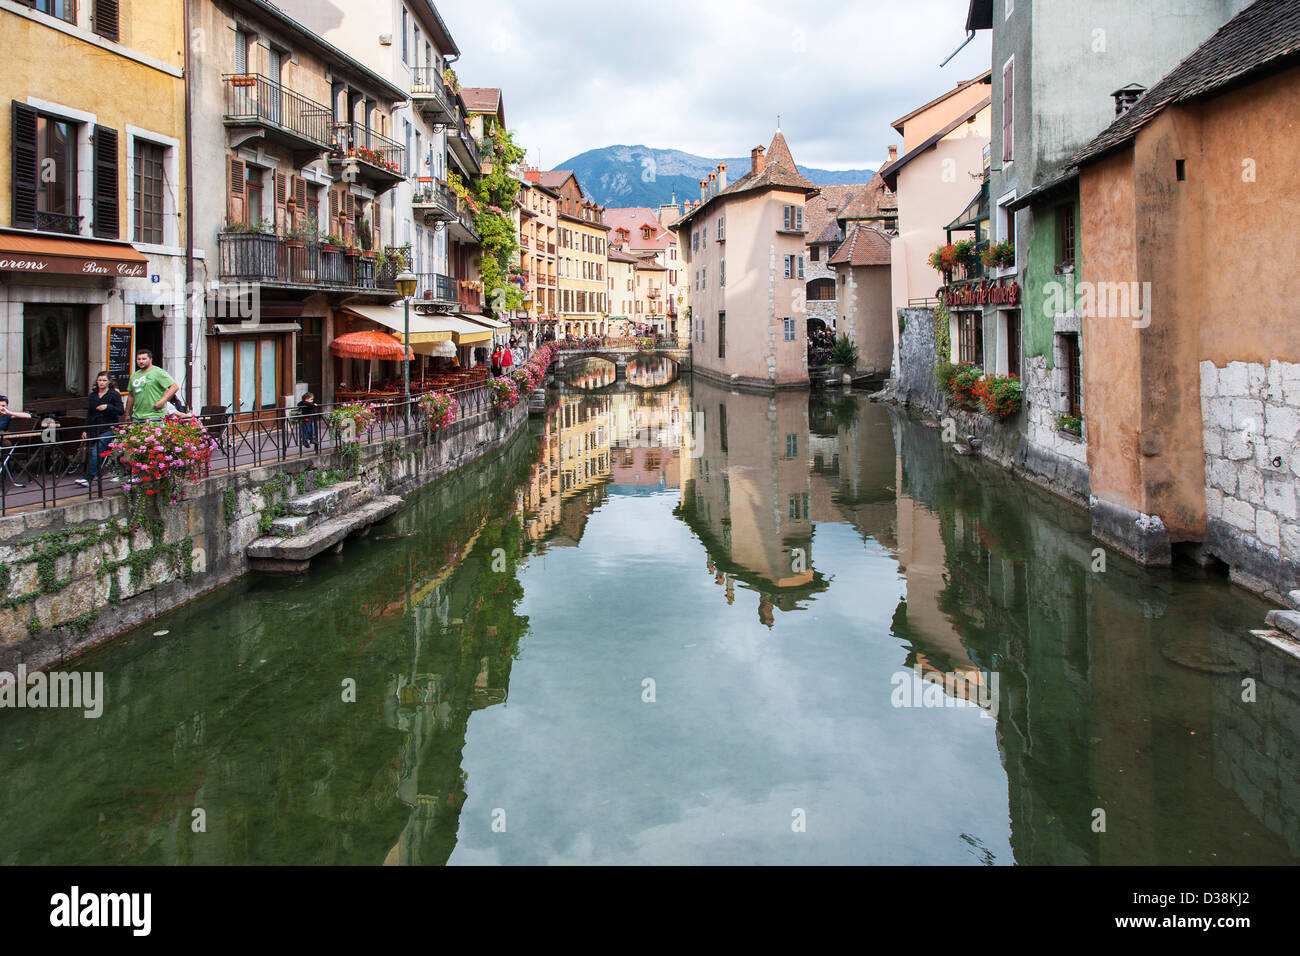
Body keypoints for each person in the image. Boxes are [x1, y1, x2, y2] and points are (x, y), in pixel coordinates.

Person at [75, 372, 124, 486]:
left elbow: (120, 410)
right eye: (99, 380)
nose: (101, 383)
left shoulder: (113, 394)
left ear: (109, 382)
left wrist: (107, 407)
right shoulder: (93, 395)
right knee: (110, 452)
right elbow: (90, 413)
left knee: (96, 451)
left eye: (104, 380)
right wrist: (85, 429)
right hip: (95, 427)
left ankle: (88, 478)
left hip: (109, 427)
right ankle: (122, 472)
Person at [124, 349, 179, 422]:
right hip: (137, 416)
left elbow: (174, 387)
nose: (141, 361)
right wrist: (127, 413)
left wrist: (162, 401)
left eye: (144, 359)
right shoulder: (134, 376)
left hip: (155, 415)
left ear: (150, 359)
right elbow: (131, 395)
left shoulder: (158, 372)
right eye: (138, 359)